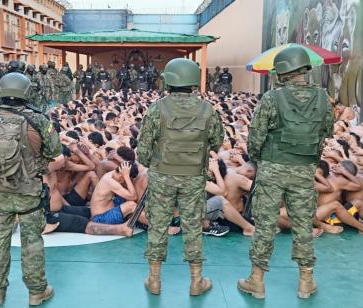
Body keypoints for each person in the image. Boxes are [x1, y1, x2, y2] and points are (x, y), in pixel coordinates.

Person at [237, 46, 334, 299]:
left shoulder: (271, 98)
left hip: (271, 167)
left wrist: (260, 161)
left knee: (265, 225)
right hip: (304, 169)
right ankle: (306, 281)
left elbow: (256, 137)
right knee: (303, 225)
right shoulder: (323, 97)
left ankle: (256, 281)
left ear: (281, 71)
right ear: (304, 69)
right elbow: (325, 132)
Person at [137, 58, 223, 296]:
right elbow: (216, 142)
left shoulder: (157, 109)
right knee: (193, 226)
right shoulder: (208, 110)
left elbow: (143, 152)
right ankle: (196, 281)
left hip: (162, 175)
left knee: (158, 226)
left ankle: (154, 280)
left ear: (170, 80)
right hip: (194, 177)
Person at [0, 73, 61, 306]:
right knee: (32, 243)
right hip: (28, 191)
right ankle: (36, 292)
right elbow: (55, 151)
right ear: (26, 92)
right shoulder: (39, 120)